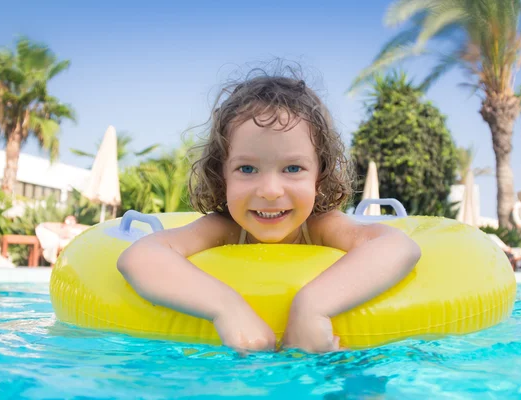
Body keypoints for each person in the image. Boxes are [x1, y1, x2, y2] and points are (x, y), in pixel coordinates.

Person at [117, 71, 421, 353]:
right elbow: (139, 257)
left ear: (320, 175)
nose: (271, 190)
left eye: (293, 168)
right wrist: (226, 307)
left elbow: (398, 246)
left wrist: (313, 305)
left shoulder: (320, 226)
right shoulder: (224, 228)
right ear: (222, 175)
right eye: (247, 168)